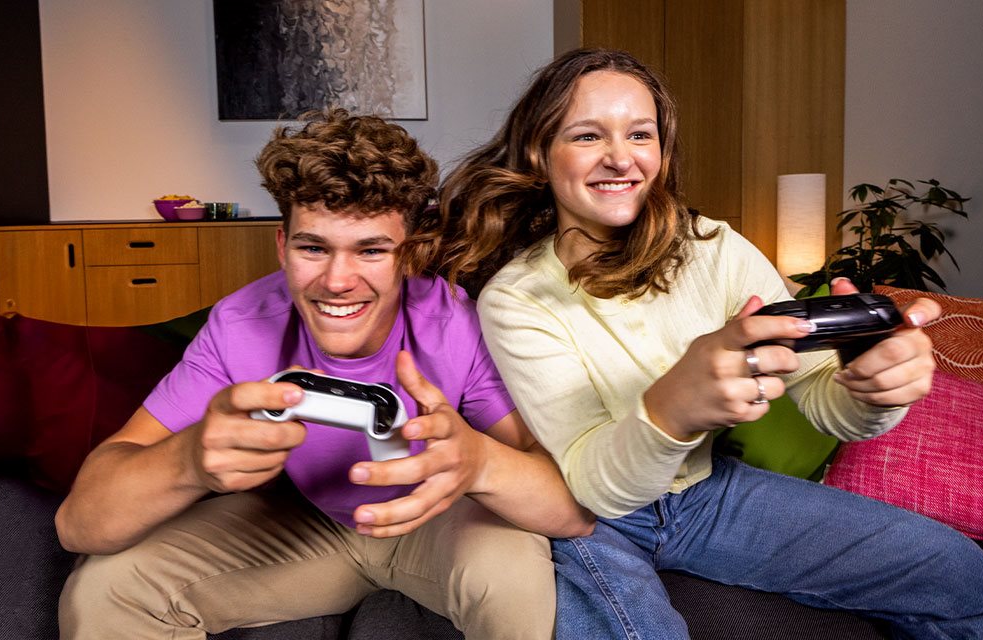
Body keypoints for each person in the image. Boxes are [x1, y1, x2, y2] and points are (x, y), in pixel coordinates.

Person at [427, 48, 983, 639]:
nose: (620, 158)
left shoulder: (715, 247)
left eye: (640, 135)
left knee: (959, 576)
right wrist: (672, 408)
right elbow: (591, 485)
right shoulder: (515, 298)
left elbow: (818, 392)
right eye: (586, 136)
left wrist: (872, 387)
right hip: (590, 515)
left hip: (707, 495)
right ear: (541, 153)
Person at [54, 109, 593, 640]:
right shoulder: (241, 327)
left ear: (408, 255)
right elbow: (79, 524)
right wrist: (189, 460)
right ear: (283, 247)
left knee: (514, 574)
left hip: (441, 520)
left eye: (371, 250)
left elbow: (570, 510)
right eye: (314, 247)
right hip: (307, 523)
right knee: (106, 588)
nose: (338, 281)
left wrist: (478, 461)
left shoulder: (454, 322)